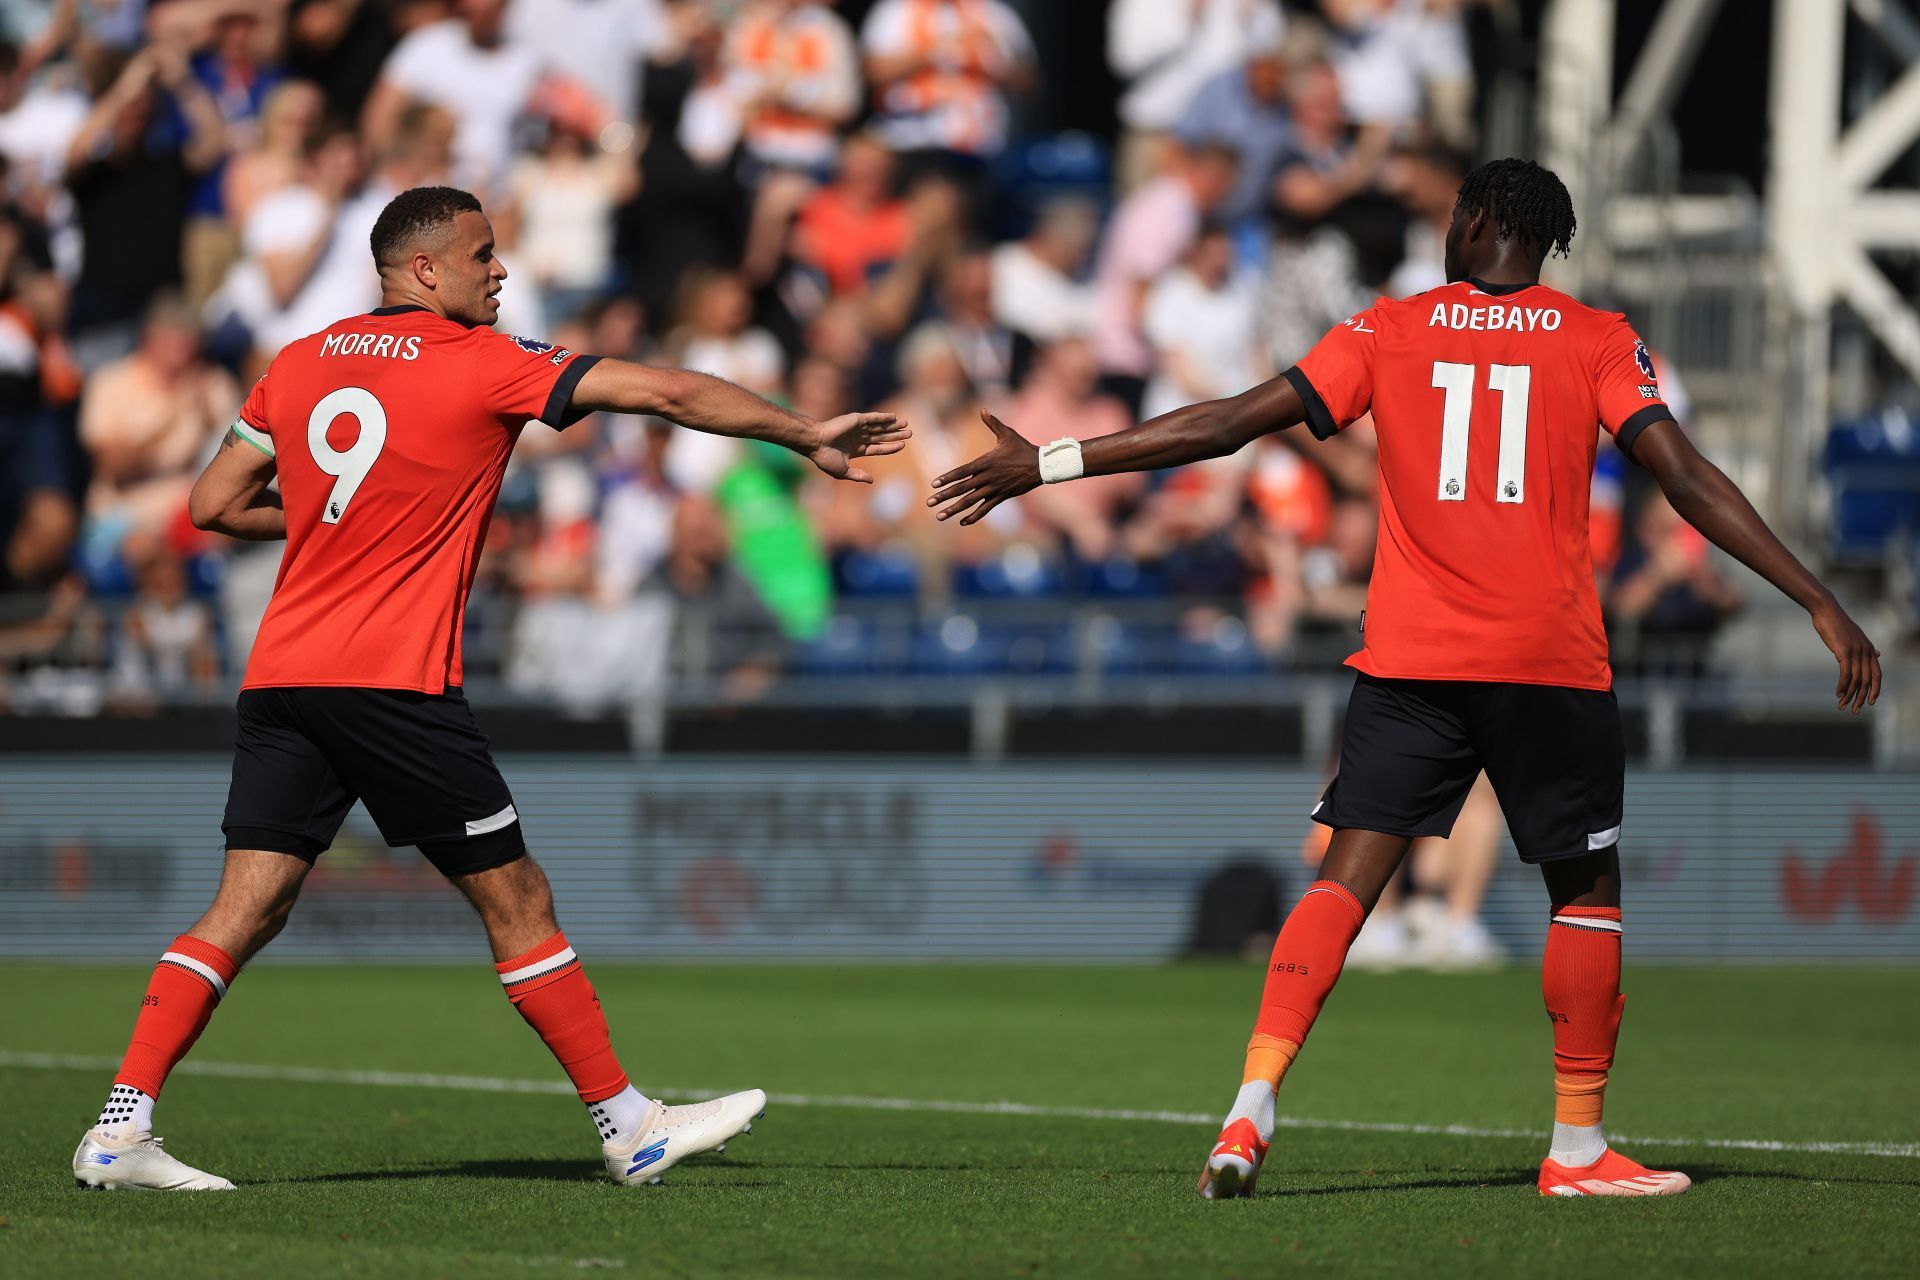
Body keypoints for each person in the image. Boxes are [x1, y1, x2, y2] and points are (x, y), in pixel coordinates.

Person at [927, 158, 1881, 1199]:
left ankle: (1252, 1101)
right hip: (1546, 660)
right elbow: (1686, 474)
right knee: (1585, 888)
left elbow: (1231, 420)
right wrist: (1816, 596)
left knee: (1345, 877)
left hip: (1413, 657)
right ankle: (1575, 1149)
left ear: (1475, 220)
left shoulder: (1388, 329)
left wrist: (1052, 463)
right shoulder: (1599, 338)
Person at [71, 184, 910, 1192]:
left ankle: (121, 1125)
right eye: (481, 253)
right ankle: (628, 1122)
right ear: (422, 269)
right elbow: (670, 394)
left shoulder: (297, 362)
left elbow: (212, 504)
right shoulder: (484, 362)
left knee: (242, 910)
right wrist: (799, 431)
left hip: (285, 672)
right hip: (391, 680)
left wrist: (349, 521)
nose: (499, 269)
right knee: (518, 897)